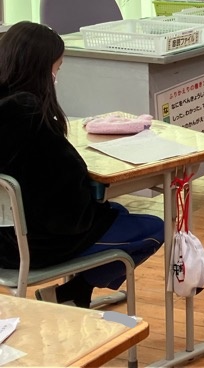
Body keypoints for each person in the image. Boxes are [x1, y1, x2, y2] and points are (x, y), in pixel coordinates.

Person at [0, 21, 164, 307]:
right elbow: (68, 210)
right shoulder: (30, 116)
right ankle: (75, 291)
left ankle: (73, 295)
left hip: (7, 240)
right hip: (33, 247)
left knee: (118, 213)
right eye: (57, 68)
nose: (56, 77)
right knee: (156, 227)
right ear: (41, 68)